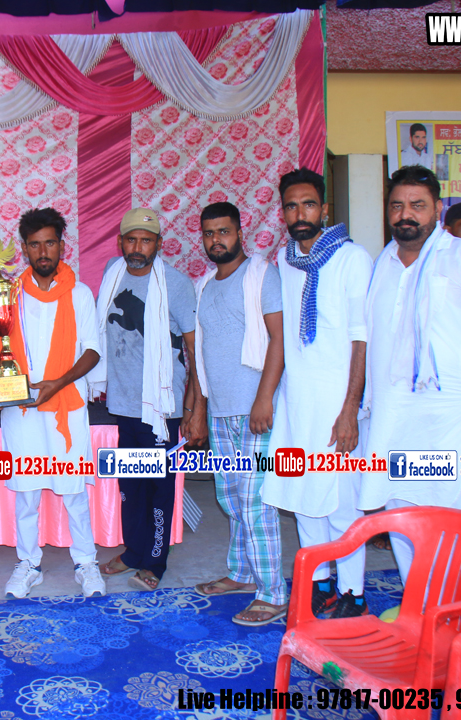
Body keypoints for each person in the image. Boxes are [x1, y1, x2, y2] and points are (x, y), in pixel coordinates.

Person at [362, 165, 461, 584]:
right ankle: (418, 604)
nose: (405, 215)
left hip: (453, 416)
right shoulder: (383, 263)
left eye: (417, 205)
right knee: (402, 508)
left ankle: (452, 607)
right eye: (397, 205)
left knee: (452, 512)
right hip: (396, 416)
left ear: (437, 209)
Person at [260, 169, 373, 619]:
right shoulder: (286, 261)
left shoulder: (352, 258)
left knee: (341, 502)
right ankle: (321, 582)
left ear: (324, 209)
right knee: (303, 495)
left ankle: (354, 593)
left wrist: (350, 409)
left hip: (338, 402)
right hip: (298, 400)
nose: (300, 214)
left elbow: (361, 339)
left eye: (308, 204)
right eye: (291, 206)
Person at [0, 208, 105, 599]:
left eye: (50, 243)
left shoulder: (80, 293)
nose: (43, 251)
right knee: (26, 491)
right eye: (35, 245)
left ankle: (86, 562)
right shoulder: (10, 294)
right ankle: (28, 563)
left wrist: (57, 384)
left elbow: (92, 351)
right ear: (25, 248)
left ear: (62, 246)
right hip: (20, 407)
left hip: (66, 404)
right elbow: (4, 350)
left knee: (73, 490)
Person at [93, 207, 199, 592]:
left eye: (146, 240)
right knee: (131, 484)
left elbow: (194, 349)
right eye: (131, 239)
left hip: (161, 409)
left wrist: (195, 408)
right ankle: (133, 550)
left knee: (158, 486)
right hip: (123, 403)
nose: (138, 247)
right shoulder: (113, 272)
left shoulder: (176, 284)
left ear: (159, 244)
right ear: (120, 242)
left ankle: (155, 560)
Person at [190, 201, 286, 626]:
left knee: (255, 502)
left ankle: (272, 593)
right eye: (209, 233)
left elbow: (278, 338)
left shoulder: (262, 275)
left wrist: (264, 399)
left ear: (240, 233)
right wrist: (199, 408)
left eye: (224, 231)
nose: (216, 240)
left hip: (255, 410)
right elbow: (201, 353)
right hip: (221, 411)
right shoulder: (204, 286)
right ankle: (242, 572)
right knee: (230, 498)